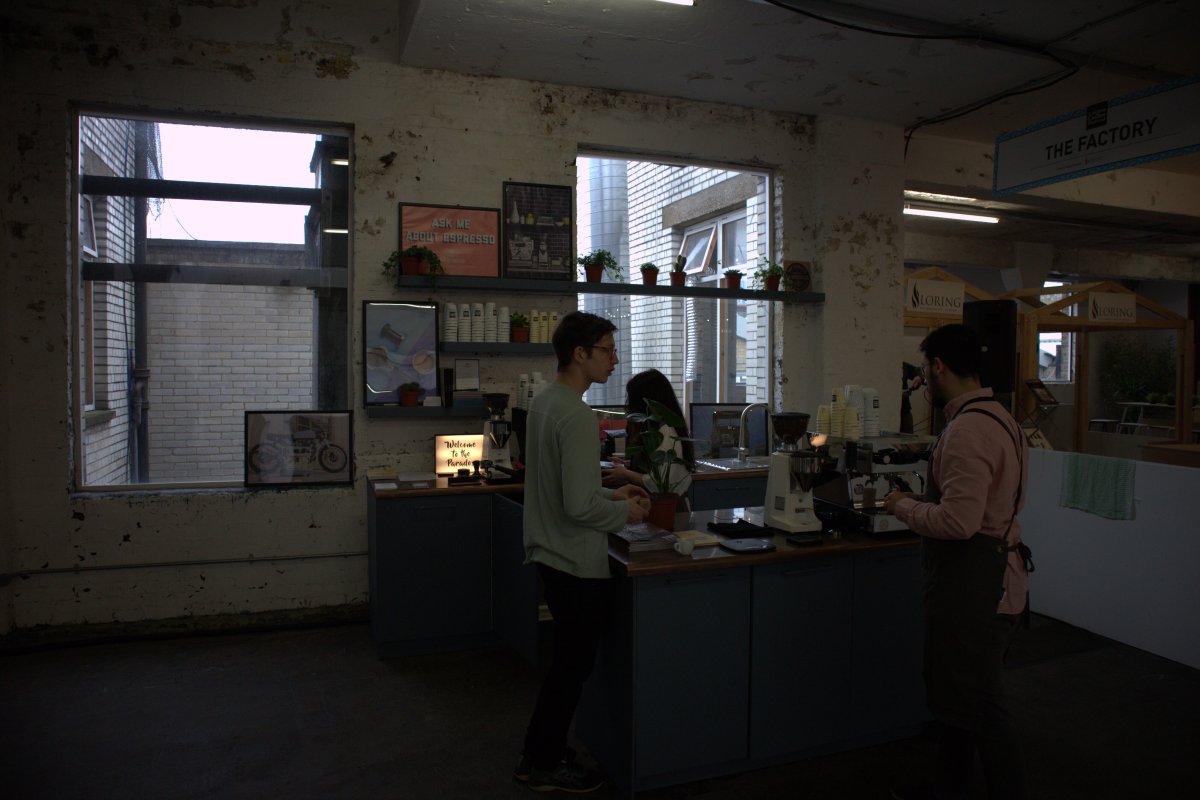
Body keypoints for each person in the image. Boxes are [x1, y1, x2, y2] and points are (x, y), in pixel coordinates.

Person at [883, 324, 1031, 800]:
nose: (924, 378)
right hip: (996, 579)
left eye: (926, 368)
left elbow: (959, 522)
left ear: (938, 367)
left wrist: (902, 506)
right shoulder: (1002, 419)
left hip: (977, 589)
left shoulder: (967, 430)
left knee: (982, 705)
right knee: (961, 700)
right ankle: (953, 784)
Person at [516, 311, 650, 794]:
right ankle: (543, 764)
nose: (614, 360)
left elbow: (565, 485)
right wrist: (626, 513)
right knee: (571, 671)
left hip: (551, 553)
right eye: (607, 351)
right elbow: (577, 506)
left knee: (565, 668)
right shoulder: (575, 414)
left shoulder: (546, 402)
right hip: (574, 559)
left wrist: (612, 493)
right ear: (579, 353)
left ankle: (541, 752)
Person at [603, 368, 695, 508]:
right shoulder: (655, 429)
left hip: (667, 507)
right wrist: (628, 465)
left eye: (632, 399)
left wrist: (626, 474)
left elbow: (658, 482)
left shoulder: (666, 430)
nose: (629, 404)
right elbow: (656, 466)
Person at [901, 361, 924, 433]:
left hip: (905, 411)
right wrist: (898, 395)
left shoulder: (903, 365)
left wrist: (920, 378)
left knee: (909, 438)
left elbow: (920, 372)